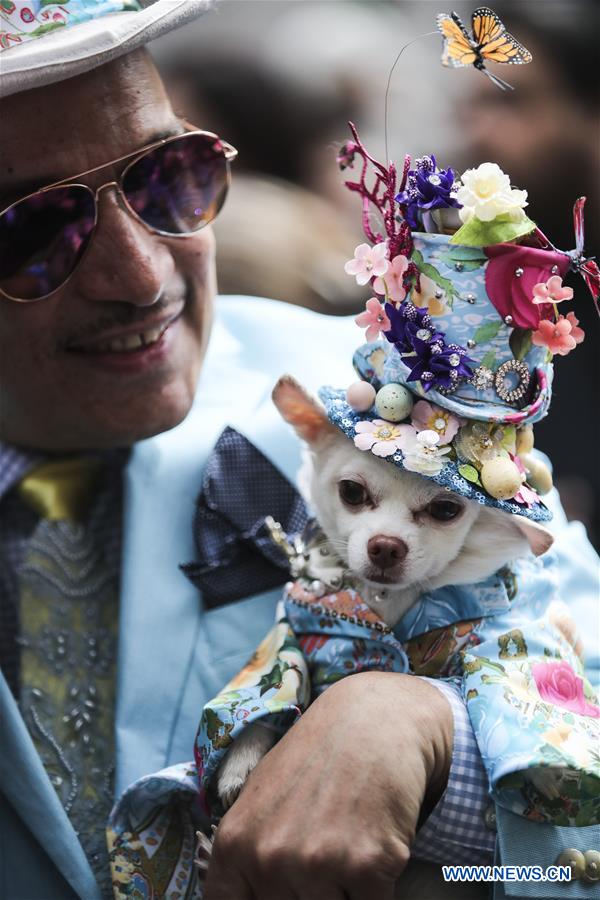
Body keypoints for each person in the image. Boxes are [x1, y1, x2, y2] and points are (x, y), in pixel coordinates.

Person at [0, 3, 597, 899]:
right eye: (35, 231)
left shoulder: (393, 407)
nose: (143, 275)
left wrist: (427, 733)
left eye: (169, 176)